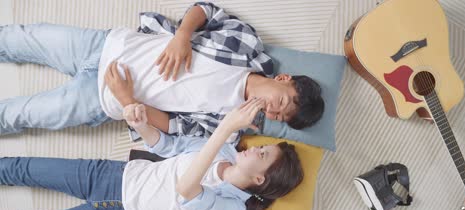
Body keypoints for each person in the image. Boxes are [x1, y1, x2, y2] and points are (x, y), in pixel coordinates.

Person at [0, 2, 324, 141]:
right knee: (18, 37)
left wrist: (127, 100)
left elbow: (171, 127)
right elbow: (207, 9)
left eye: (277, 117)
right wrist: (183, 35)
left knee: (19, 115)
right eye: (280, 103)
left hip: (101, 100)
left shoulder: (231, 127)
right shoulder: (247, 45)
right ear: (282, 79)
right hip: (107, 47)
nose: (271, 111)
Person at [0, 98, 304, 210]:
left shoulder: (232, 208)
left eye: (262, 154)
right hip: (114, 175)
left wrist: (224, 129)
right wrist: (140, 122)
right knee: (20, 167)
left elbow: (187, 190)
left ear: (259, 179)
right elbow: (166, 147)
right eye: (261, 146)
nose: (254, 148)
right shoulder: (224, 149)